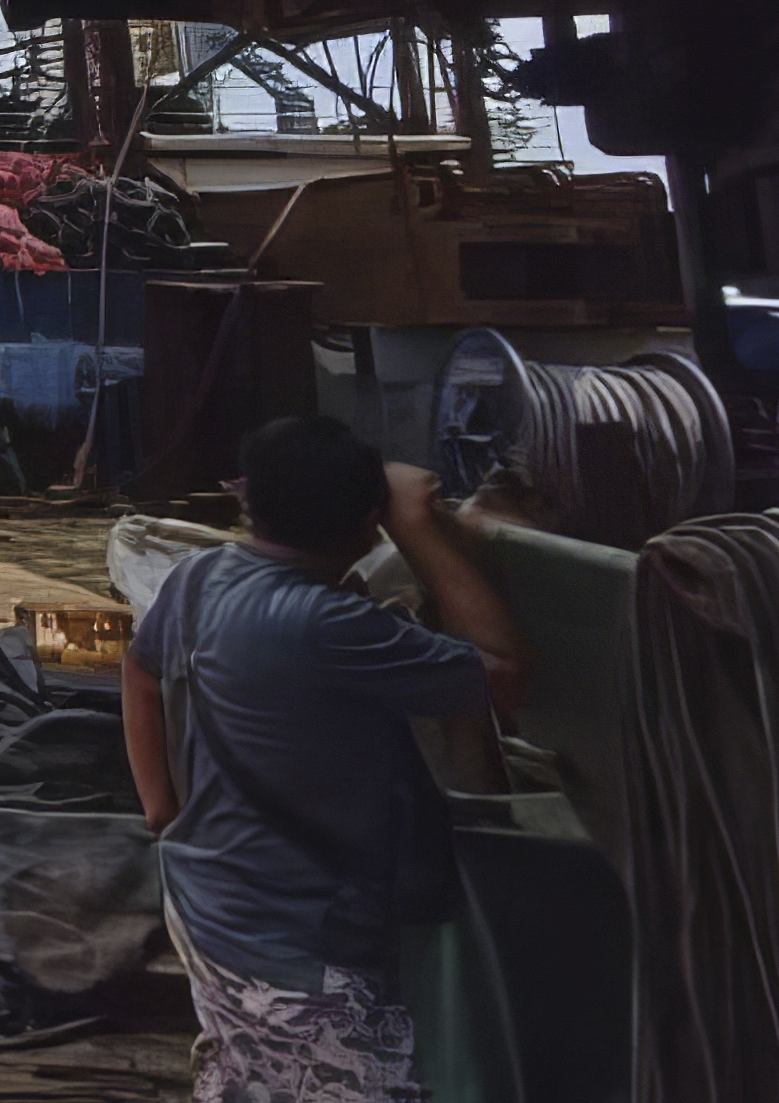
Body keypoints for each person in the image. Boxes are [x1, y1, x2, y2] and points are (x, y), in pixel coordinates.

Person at [123, 416, 527, 1103]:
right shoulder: (327, 625)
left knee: (252, 1078)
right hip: (303, 947)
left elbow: (139, 671)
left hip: (208, 900)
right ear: (370, 525)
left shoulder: (201, 577)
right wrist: (420, 527)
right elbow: (505, 672)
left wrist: (161, 806)